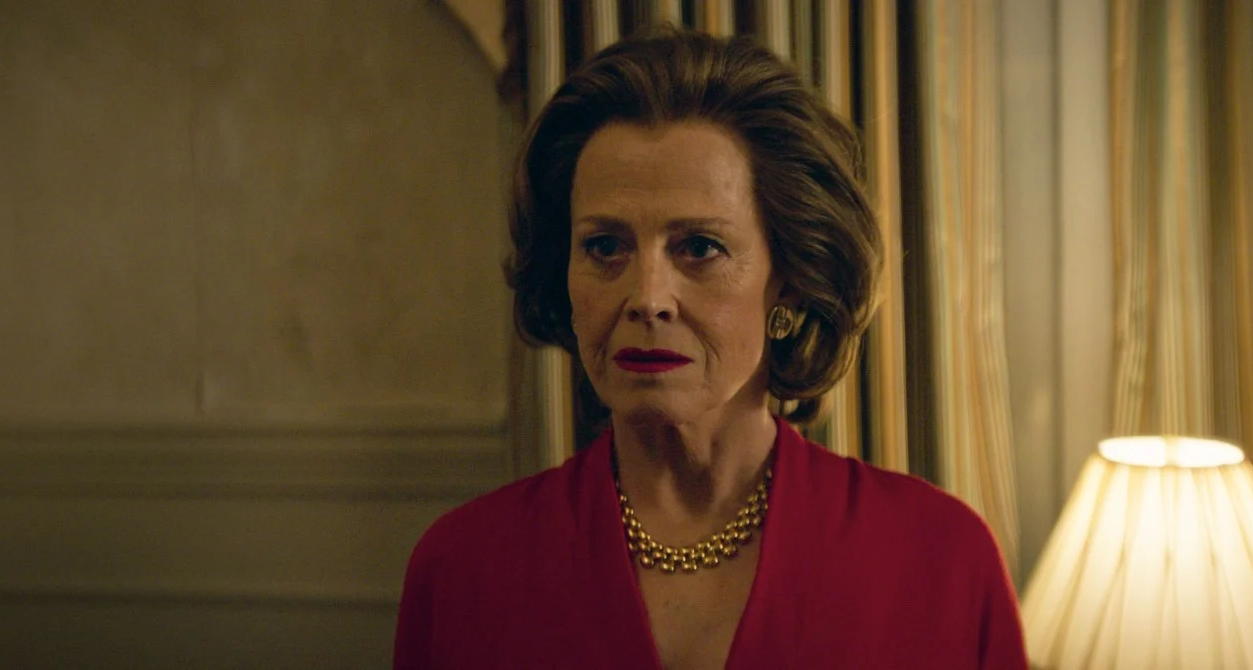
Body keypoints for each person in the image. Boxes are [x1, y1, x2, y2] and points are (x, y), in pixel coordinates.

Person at [394, 28, 1026, 669]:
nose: (647, 297)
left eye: (699, 247)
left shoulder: (940, 558)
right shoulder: (463, 568)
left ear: (790, 278)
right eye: (605, 247)